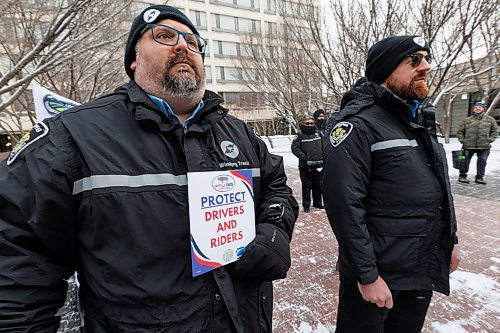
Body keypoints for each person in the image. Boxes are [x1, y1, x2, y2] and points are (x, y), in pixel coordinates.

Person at [0, 5, 298, 332]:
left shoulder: (238, 132)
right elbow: (18, 260)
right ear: (133, 60)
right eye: (165, 36)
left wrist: (275, 229)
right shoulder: (70, 137)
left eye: (192, 41)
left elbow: (277, 189)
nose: (183, 46)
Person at [323, 35, 460, 333]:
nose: (425, 66)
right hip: (379, 273)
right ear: (386, 68)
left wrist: (450, 241)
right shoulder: (356, 124)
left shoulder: (419, 117)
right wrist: (367, 276)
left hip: (419, 265)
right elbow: (344, 206)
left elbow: (438, 190)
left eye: (426, 58)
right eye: (414, 60)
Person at [456, 102, 498, 184]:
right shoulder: (467, 120)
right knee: (464, 161)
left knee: (482, 161)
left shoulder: (490, 120)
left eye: (480, 107)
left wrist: (490, 139)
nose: (477, 108)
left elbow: (495, 131)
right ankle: (462, 176)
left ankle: (479, 178)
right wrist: (463, 140)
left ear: (484, 109)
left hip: (484, 145)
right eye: (476, 107)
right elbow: (460, 131)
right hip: (468, 145)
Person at [291, 115, 324, 213]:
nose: (310, 125)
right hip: (305, 166)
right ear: (303, 124)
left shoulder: (318, 133)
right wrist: (304, 158)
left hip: (318, 165)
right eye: (307, 123)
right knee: (306, 186)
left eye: (311, 123)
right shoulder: (299, 135)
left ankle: (318, 203)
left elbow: (324, 145)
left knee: (317, 185)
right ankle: (306, 205)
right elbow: (295, 149)